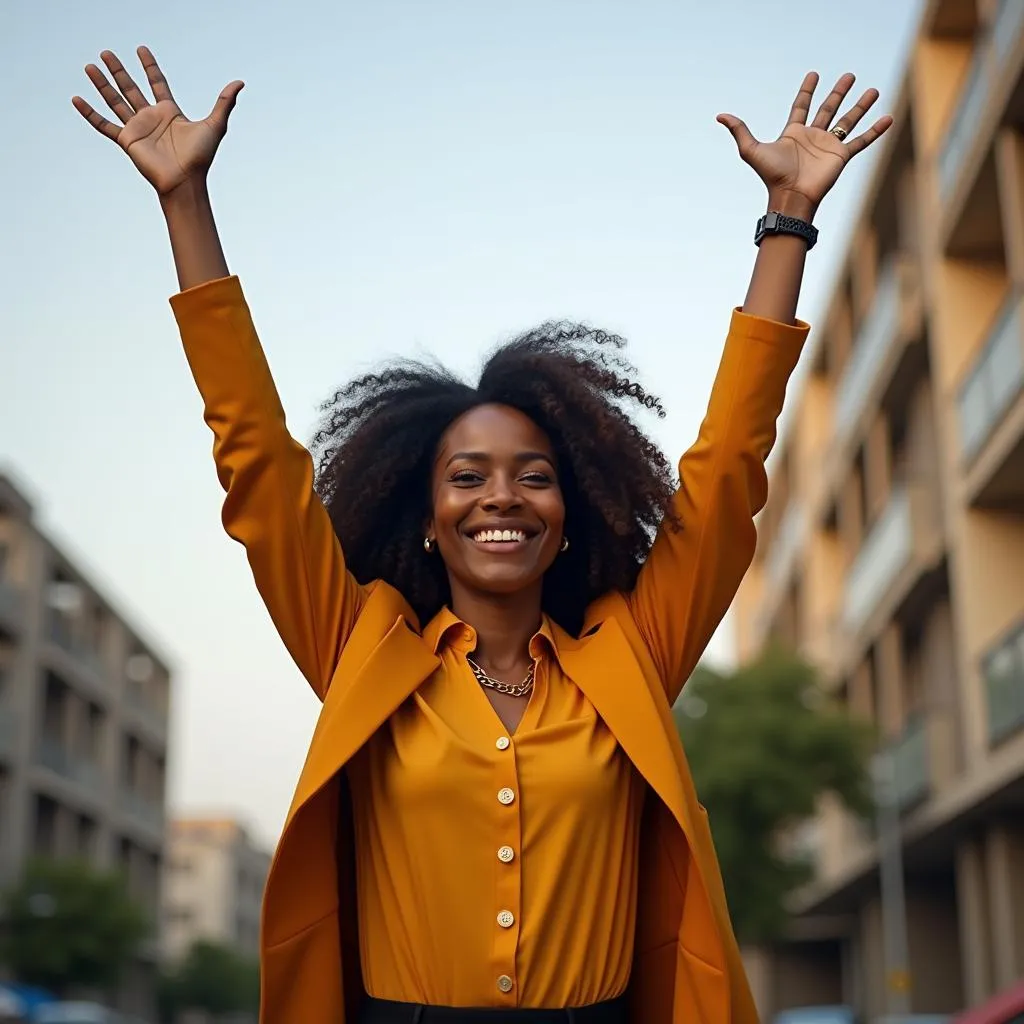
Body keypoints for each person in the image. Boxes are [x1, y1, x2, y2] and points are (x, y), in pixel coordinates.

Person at [73, 47, 890, 1024]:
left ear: (569, 509)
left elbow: (725, 472)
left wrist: (786, 224)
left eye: (533, 477)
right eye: (466, 477)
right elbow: (254, 457)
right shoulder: (357, 645)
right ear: (424, 516)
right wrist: (185, 205)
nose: (500, 498)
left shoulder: (632, 654)